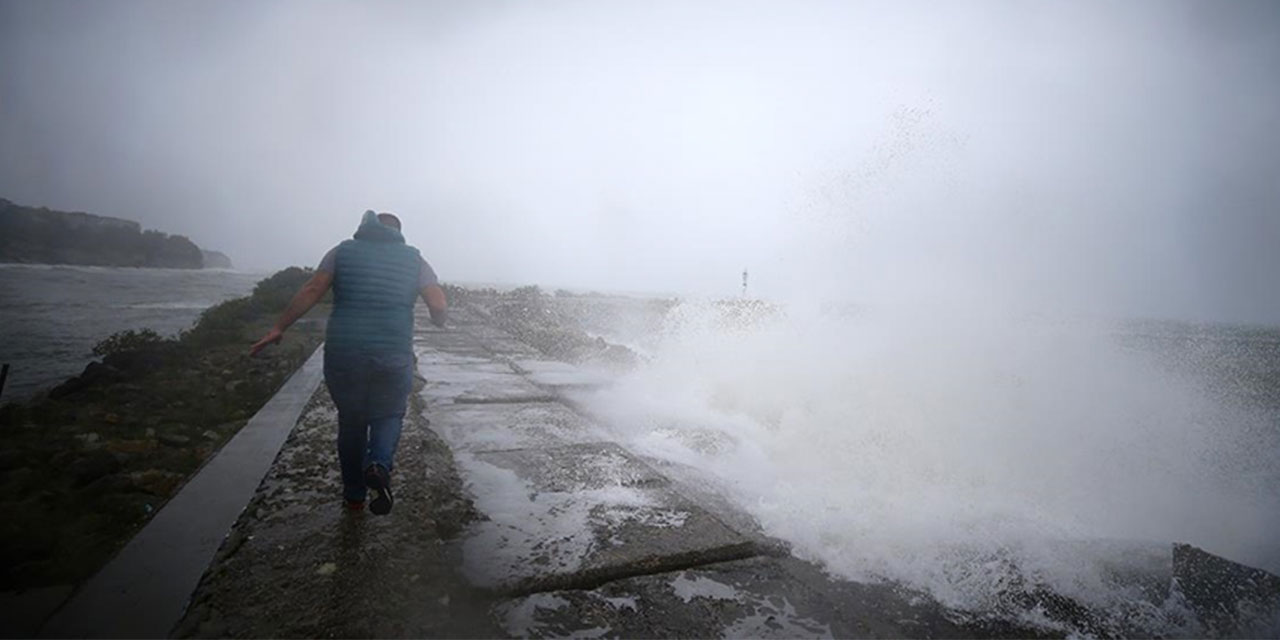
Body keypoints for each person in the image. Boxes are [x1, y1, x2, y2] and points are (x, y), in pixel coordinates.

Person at [250, 210, 447, 515]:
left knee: (352, 423)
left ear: (364, 227)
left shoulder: (342, 251)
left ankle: (354, 496)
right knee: (389, 414)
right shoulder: (414, 259)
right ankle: (379, 464)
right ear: (399, 232)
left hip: (345, 352)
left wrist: (279, 328)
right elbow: (437, 302)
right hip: (392, 353)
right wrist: (438, 319)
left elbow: (312, 290)